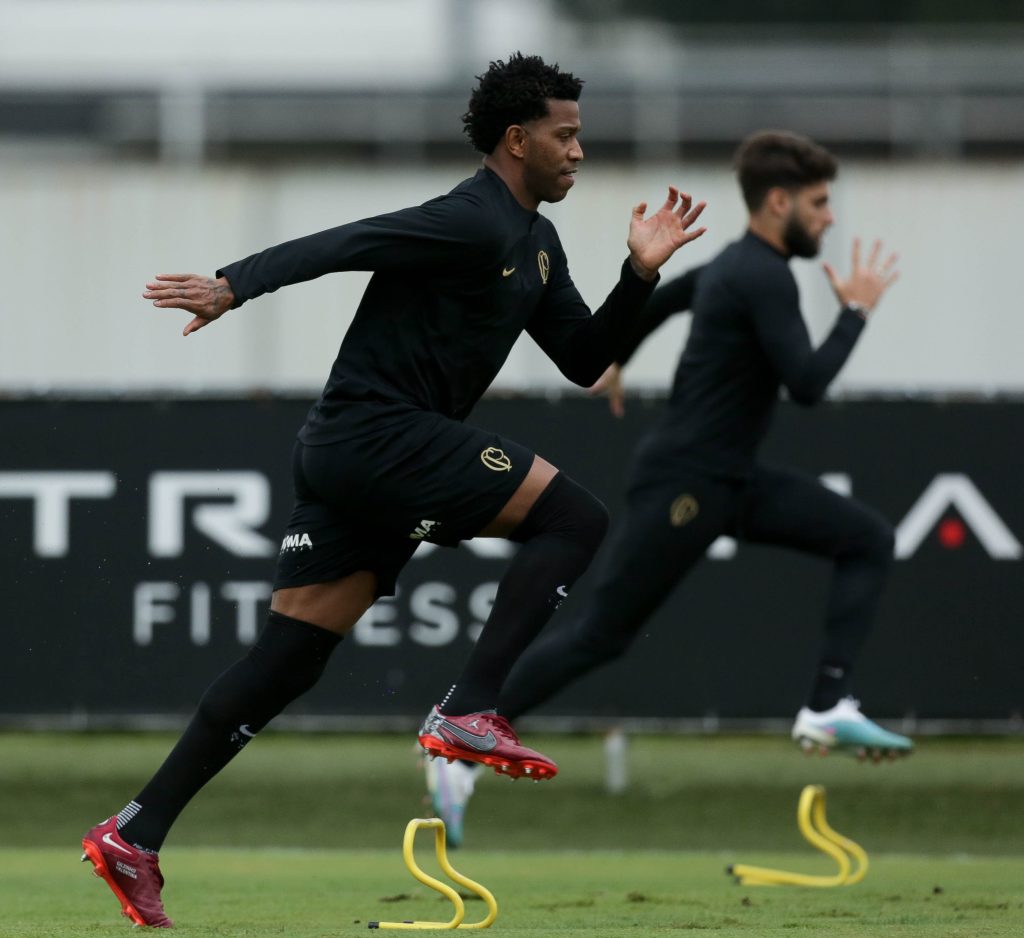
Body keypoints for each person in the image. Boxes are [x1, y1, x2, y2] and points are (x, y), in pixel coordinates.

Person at [78, 53, 706, 928]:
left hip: (354, 451)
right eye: (566, 136)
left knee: (290, 658)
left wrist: (639, 273)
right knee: (574, 515)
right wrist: (233, 284)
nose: (579, 152)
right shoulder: (471, 219)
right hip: (378, 437)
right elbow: (346, 242)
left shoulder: (535, 243)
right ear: (517, 140)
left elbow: (587, 360)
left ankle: (134, 834)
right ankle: (470, 708)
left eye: (579, 136)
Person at [427, 129, 911, 843]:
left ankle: (825, 707)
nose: (830, 218)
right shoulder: (762, 274)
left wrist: (613, 357)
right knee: (600, 635)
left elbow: (671, 295)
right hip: (686, 483)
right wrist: (856, 311)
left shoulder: (734, 266)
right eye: (818, 203)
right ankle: (460, 739)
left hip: (731, 480)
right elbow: (807, 384)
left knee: (868, 538)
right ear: (779, 202)